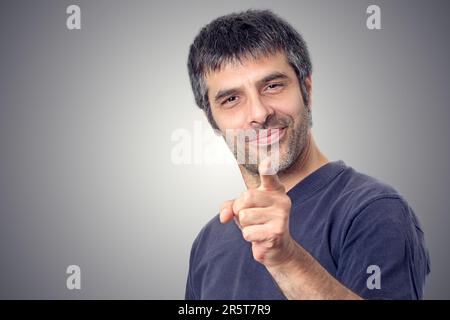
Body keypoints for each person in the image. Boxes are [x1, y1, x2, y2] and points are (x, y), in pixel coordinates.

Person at [185, 9, 430, 300]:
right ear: (212, 119)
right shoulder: (209, 241)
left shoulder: (374, 210)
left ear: (307, 90)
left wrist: (285, 258)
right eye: (231, 99)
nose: (260, 113)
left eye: (273, 86)